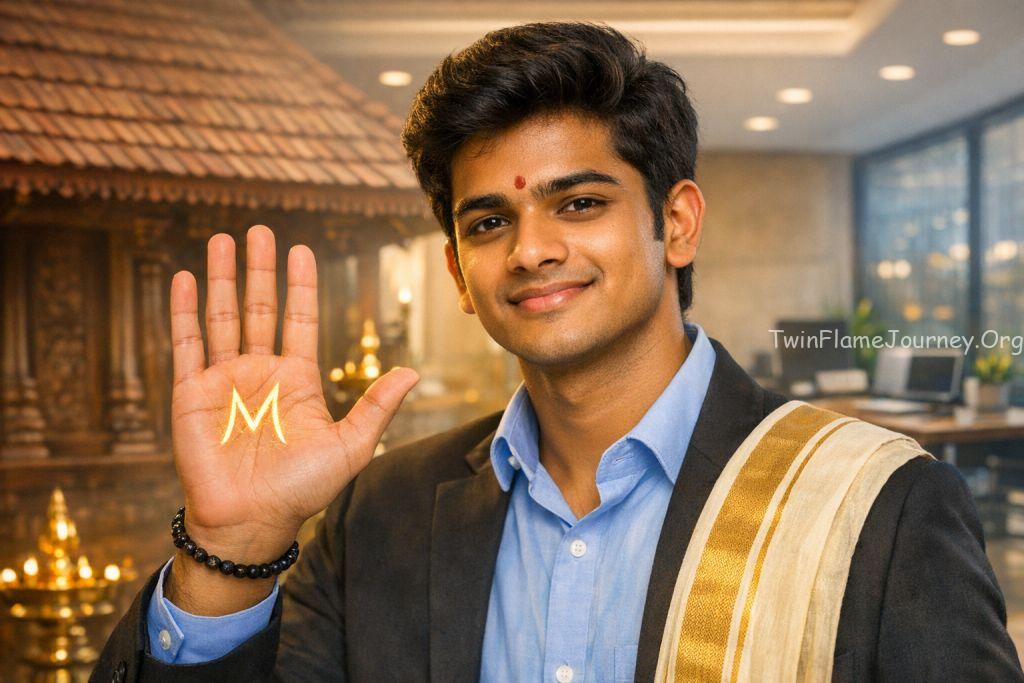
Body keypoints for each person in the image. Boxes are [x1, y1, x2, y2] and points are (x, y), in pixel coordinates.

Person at [93, 22, 1022, 682]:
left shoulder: (878, 503)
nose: (532, 248)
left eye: (579, 203)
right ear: (459, 272)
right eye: (490, 219)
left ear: (677, 221)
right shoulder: (379, 512)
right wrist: (230, 547)